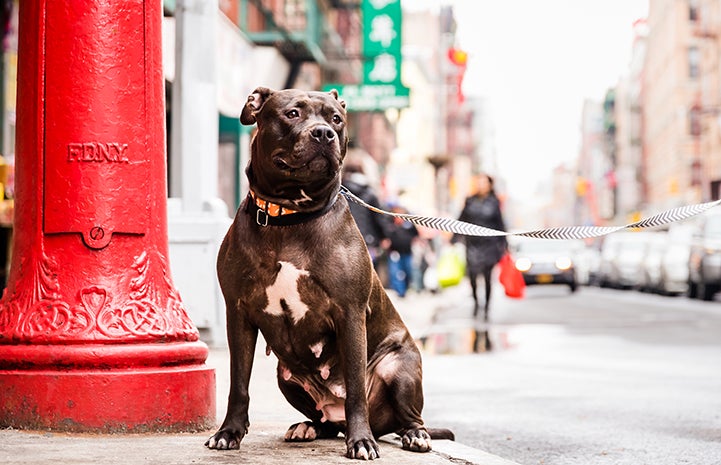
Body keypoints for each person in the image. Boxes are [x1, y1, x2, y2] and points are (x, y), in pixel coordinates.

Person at [455, 173, 508, 320]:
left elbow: (500, 223)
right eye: (478, 182)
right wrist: (454, 237)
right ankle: (476, 302)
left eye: (484, 183)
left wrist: (504, 243)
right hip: (472, 243)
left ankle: (487, 306)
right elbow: (461, 220)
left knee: (487, 276)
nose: (481, 185)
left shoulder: (494, 202)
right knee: (472, 275)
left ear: (489, 185)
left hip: (489, 244)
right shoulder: (469, 201)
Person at [341, 156, 391, 270]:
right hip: (368, 242)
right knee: (369, 275)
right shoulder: (369, 193)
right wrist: (385, 236)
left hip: (343, 241)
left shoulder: (339, 193)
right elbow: (379, 217)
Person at [386, 205, 419, 298]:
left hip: (407, 252)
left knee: (408, 271)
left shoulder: (409, 226)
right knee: (395, 272)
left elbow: (416, 235)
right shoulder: (390, 226)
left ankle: (407, 288)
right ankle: (400, 292)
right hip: (394, 253)